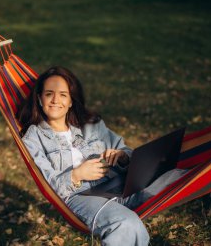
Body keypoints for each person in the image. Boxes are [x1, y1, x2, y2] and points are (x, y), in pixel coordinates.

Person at [16, 66, 187, 246]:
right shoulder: (33, 138)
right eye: (49, 93)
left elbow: (126, 151)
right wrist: (77, 175)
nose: (56, 100)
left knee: (175, 176)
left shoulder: (91, 124)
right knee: (126, 224)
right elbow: (47, 183)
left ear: (71, 101)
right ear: (40, 99)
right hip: (80, 196)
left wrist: (121, 156)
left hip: (118, 185)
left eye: (63, 95)